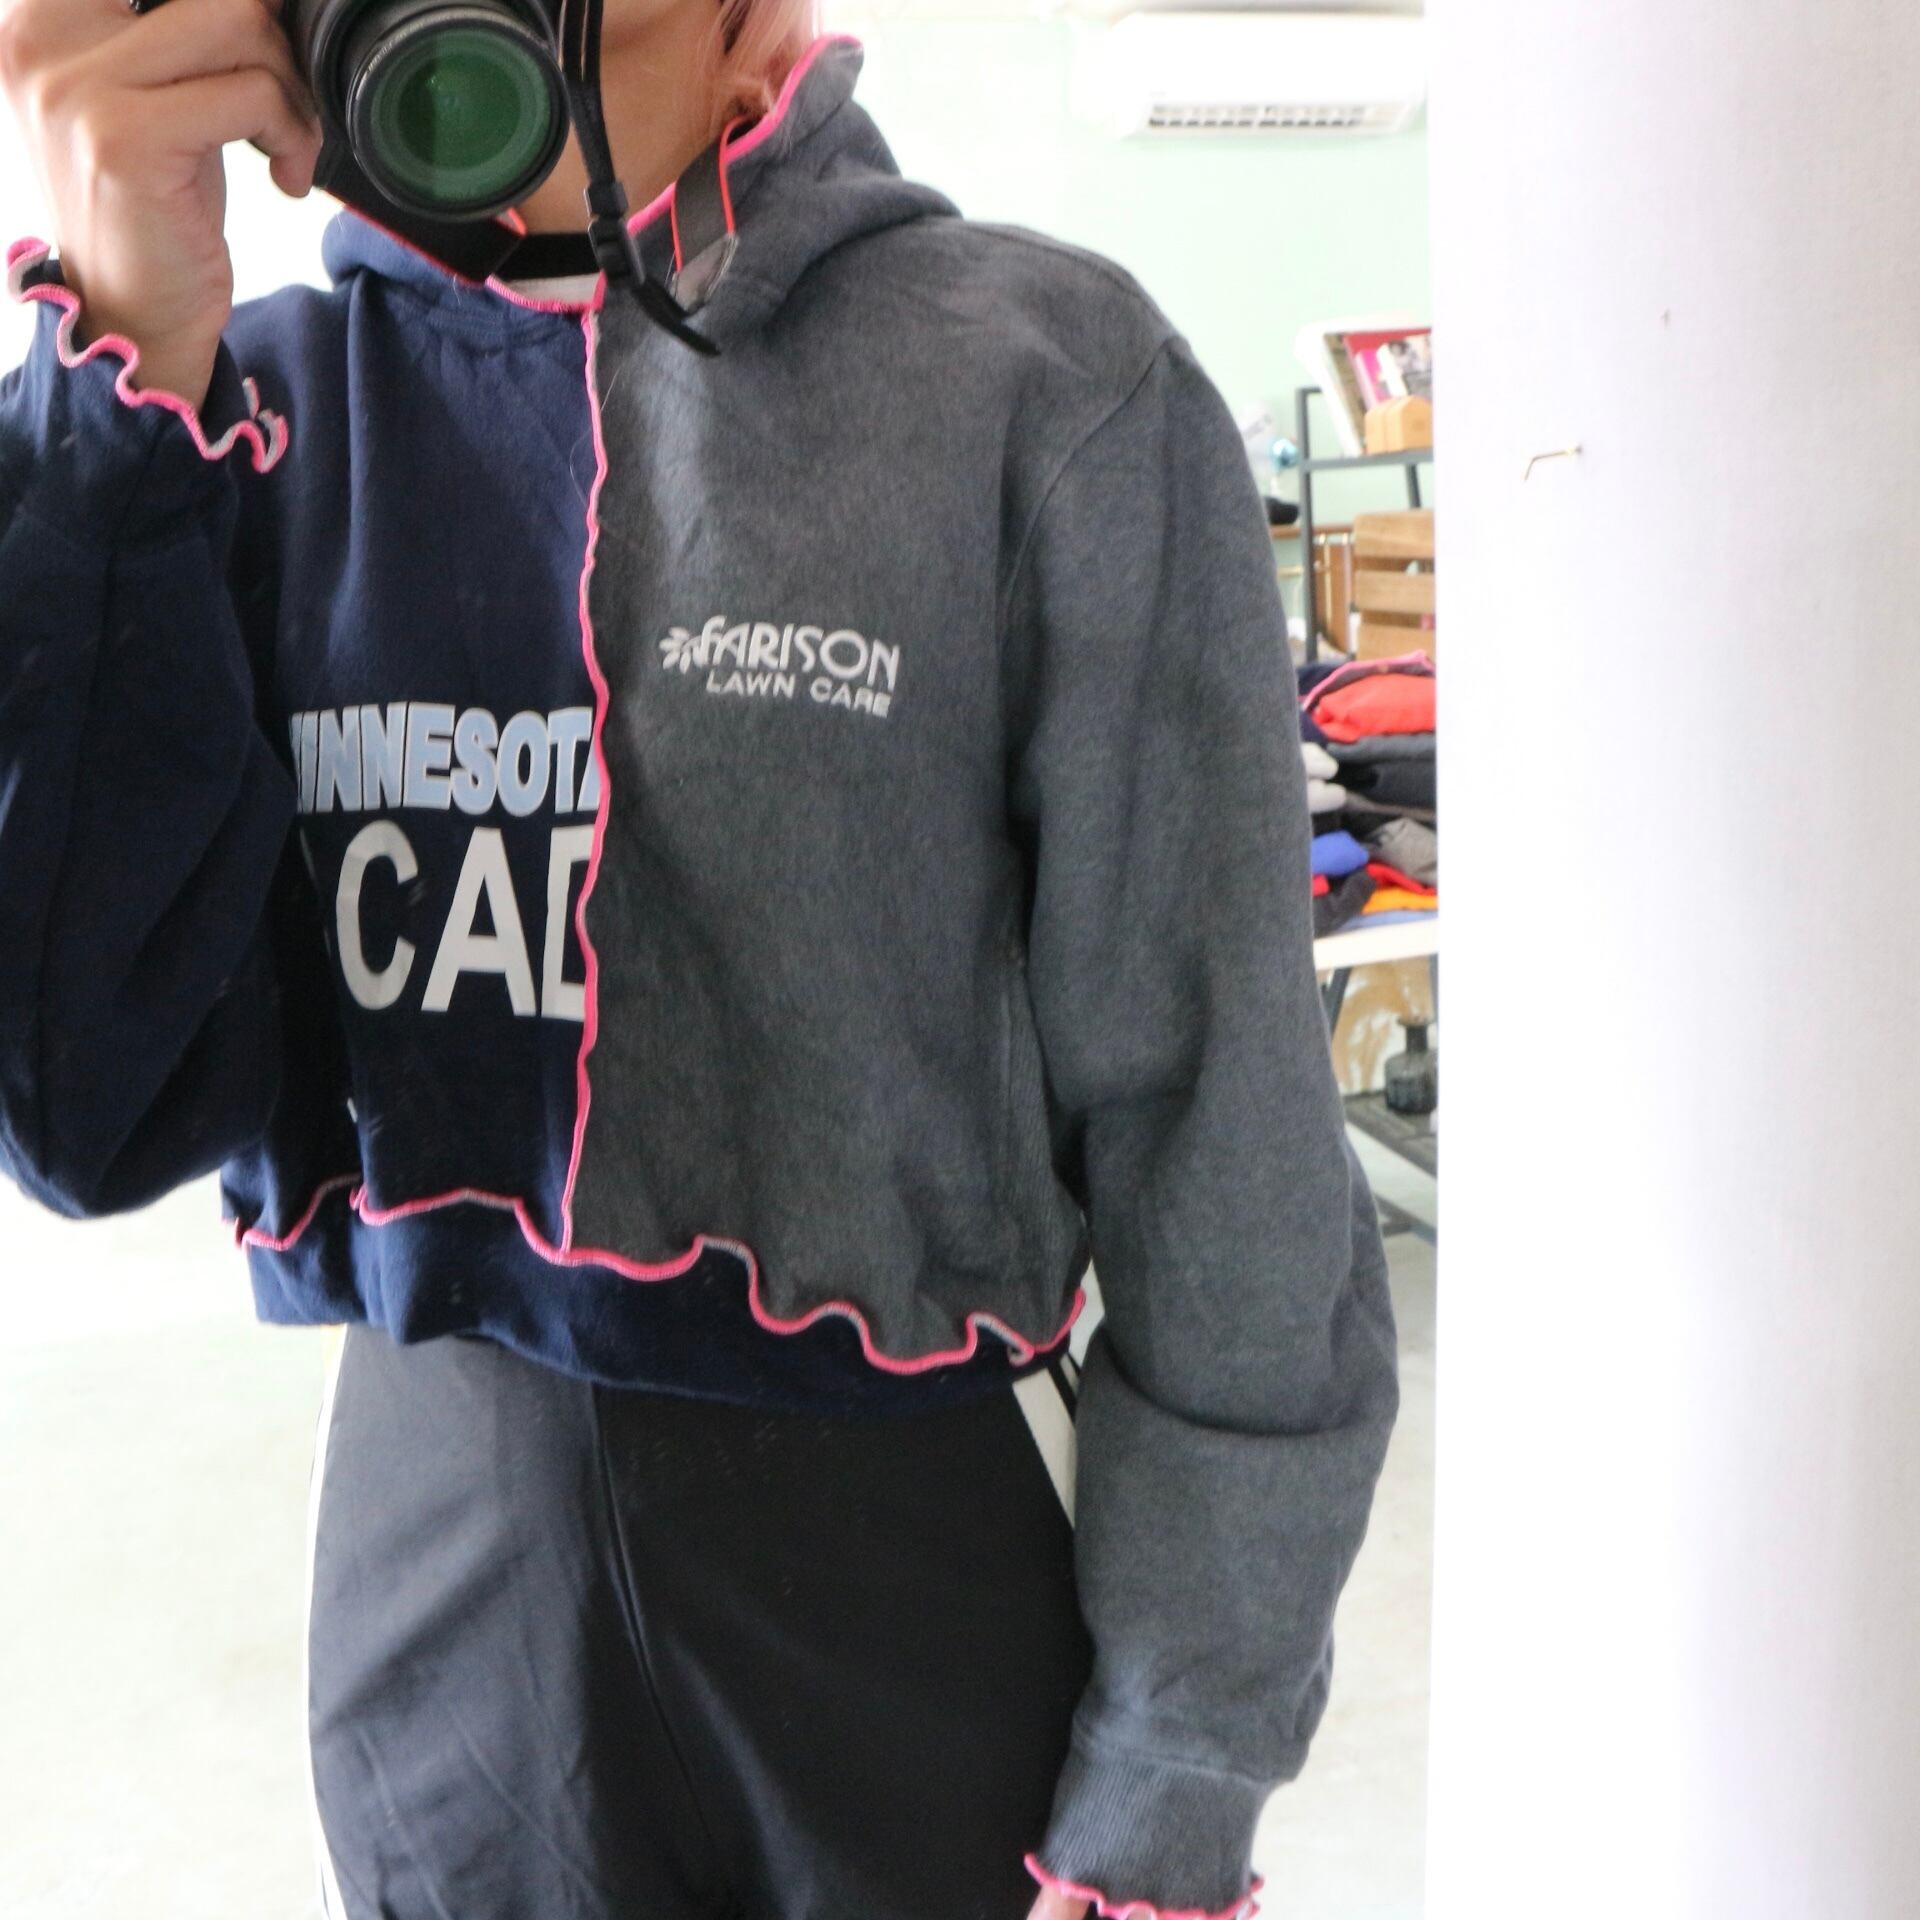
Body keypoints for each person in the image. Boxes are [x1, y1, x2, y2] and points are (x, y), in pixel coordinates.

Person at [0, 0, 1402, 1915]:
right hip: (444, 1611)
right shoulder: (242, 414)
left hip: (912, 1600)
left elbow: (1219, 1139)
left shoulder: (1041, 382)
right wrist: (110, 377)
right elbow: (84, 1109)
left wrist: (1178, 1768)